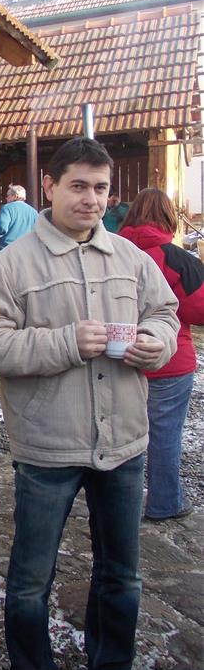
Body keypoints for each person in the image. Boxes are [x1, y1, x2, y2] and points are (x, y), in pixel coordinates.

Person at [0, 137, 179, 670]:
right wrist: (63, 342)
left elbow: (166, 314)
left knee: (122, 576)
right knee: (31, 580)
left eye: (101, 188)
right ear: (50, 187)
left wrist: (156, 343)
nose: (91, 199)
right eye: (78, 186)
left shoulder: (130, 257)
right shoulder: (13, 265)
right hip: (48, 447)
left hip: (123, 444)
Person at [118, 188, 204, 520]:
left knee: (120, 436)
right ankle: (165, 503)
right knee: (165, 434)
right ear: (168, 217)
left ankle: (117, 505)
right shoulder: (178, 259)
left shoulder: (113, 252)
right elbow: (198, 311)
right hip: (170, 360)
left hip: (120, 358)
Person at [0, 183, 38, 252]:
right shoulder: (34, 212)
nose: (6, 198)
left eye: (8, 196)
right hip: (28, 251)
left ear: (15, 196)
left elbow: (2, 226)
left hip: (8, 250)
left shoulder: (7, 208)